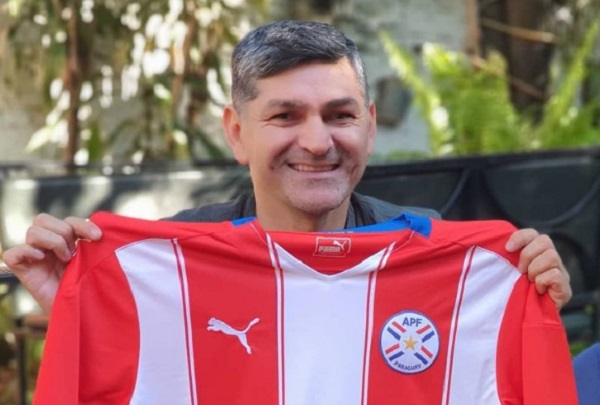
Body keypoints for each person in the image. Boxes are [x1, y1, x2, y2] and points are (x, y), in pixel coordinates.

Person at [3, 20, 571, 316]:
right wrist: (73, 310)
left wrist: (526, 303)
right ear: (236, 133)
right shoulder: (173, 259)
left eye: (340, 115)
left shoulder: (429, 248)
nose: (318, 143)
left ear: (370, 126)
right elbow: (124, 394)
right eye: (285, 116)